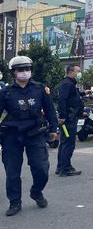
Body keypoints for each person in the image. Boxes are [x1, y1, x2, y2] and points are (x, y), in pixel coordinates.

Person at [0, 56, 58, 216]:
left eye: (27, 69)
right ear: (13, 73)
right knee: (12, 172)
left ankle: (36, 191)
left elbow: (50, 110)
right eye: (21, 69)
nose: (25, 72)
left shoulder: (40, 89)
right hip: (12, 135)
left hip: (35, 133)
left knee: (41, 168)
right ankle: (15, 201)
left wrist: (54, 128)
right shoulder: (5, 92)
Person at [56, 64, 84, 177]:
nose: (79, 73)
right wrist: (62, 116)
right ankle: (65, 168)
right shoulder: (67, 84)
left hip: (69, 117)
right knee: (68, 143)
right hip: (68, 118)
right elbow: (62, 100)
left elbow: (73, 98)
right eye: (78, 71)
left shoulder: (70, 84)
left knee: (64, 142)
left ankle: (61, 166)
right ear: (71, 72)